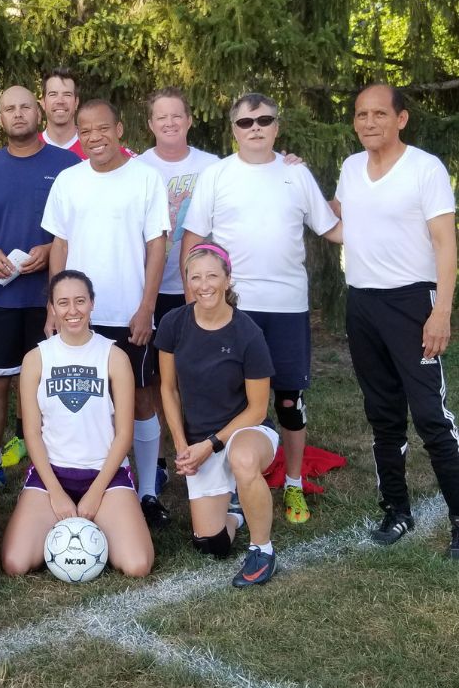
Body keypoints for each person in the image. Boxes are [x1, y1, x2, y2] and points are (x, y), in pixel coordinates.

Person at [181, 92, 341, 526]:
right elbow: (193, 239)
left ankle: (292, 485)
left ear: (276, 126)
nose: (256, 128)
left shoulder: (297, 174)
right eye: (246, 122)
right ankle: (234, 486)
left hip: (288, 306)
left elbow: (333, 229)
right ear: (233, 129)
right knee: (232, 400)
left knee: (289, 400)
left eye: (264, 120)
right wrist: (191, 296)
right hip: (235, 311)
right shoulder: (216, 175)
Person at [332, 83, 459, 553]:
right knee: (383, 416)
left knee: (430, 417)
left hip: (412, 303)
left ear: (400, 119)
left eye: (380, 114)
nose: (369, 122)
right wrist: (292, 185)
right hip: (362, 303)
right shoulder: (350, 168)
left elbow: (446, 244)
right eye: (362, 115)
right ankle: (396, 511)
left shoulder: (424, 169)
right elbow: (343, 226)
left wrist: (440, 311)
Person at [43, 98, 171, 528]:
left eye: (103, 128)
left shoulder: (145, 178)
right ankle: (94, 483)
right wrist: (54, 307)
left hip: (128, 310)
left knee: (140, 399)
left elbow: (157, 244)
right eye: (86, 130)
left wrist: (147, 307)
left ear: (120, 130)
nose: (95, 137)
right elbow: (59, 244)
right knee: (86, 402)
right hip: (79, 315)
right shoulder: (67, 180)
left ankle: (149, 490)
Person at [0, 85, 79, 491]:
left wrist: (50, 249)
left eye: (26, 106)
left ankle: (51, 464)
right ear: (0, 118)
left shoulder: (67, 165)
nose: (18, 114)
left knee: (51, 386)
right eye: (9, 108)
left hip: (52, 299)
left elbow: (80, 224)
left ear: (39, 112)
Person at [1, 271, 153, 578]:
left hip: (105, 476)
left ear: (92, 304)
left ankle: (102, 519)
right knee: (15, 563)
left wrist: (96, 493)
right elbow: (31, 432)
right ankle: (60, 517)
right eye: (63, 302)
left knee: (137, 565)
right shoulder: (36, 358)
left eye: (80, 301)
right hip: (52, 474)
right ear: (53, 308)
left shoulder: (114, 356)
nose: (73, 310)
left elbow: (124, 434)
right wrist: (56, 493)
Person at [157, 244, 280, 586]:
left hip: (246, 431)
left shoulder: (248, 333)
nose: (204, 284)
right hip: (199, 441)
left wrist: (210, 445)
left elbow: (257, 408)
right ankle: (236, 512)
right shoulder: (173, 324)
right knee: (211, 544)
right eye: (195, 277)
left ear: (227, 279)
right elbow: (168, 389)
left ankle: (263, 550)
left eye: (212, 275)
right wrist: (184, 447)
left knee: (241, 458)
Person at [137, 88, 221, 484]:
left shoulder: (214, 166)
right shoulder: (137, 168)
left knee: (198, 372)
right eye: (161, 117)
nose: (169, 123)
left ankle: (202, 448)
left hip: (198, 287)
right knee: (153, 377)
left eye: (177, 116)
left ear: (189, 120)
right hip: (149, 287)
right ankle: (156, 458)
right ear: (151, 124)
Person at [38, 68, 137, 160]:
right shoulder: (29, 147)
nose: (60, 101)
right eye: (53, 94)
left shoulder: (98, 146)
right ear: (43, 102)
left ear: (76, 102)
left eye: (67, 95)